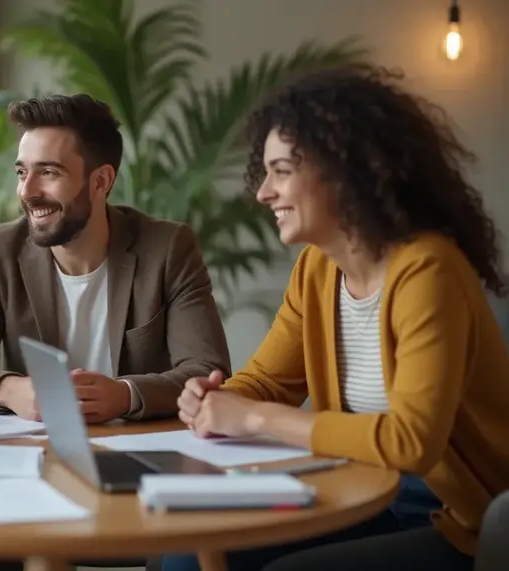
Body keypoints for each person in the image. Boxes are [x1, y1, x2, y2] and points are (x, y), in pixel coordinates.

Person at [162, 64, 509, 571]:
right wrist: (218, 399)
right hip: (360, 489)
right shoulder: (317, 269)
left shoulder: (427, 270)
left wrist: (255, 418)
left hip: (455, 516)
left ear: (345, 170)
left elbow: (411, 442)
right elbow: (267, 380)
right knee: (185, 558)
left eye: (281, 171)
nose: (263, 193)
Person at [0, 93, 231, 425]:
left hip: (138, 448)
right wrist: (12, 390)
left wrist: (125, 395)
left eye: (49, 173)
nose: (27, 191)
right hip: (33, 453)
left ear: (101, 181)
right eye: (21, 172)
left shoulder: (167, 249)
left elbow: (207, 372)